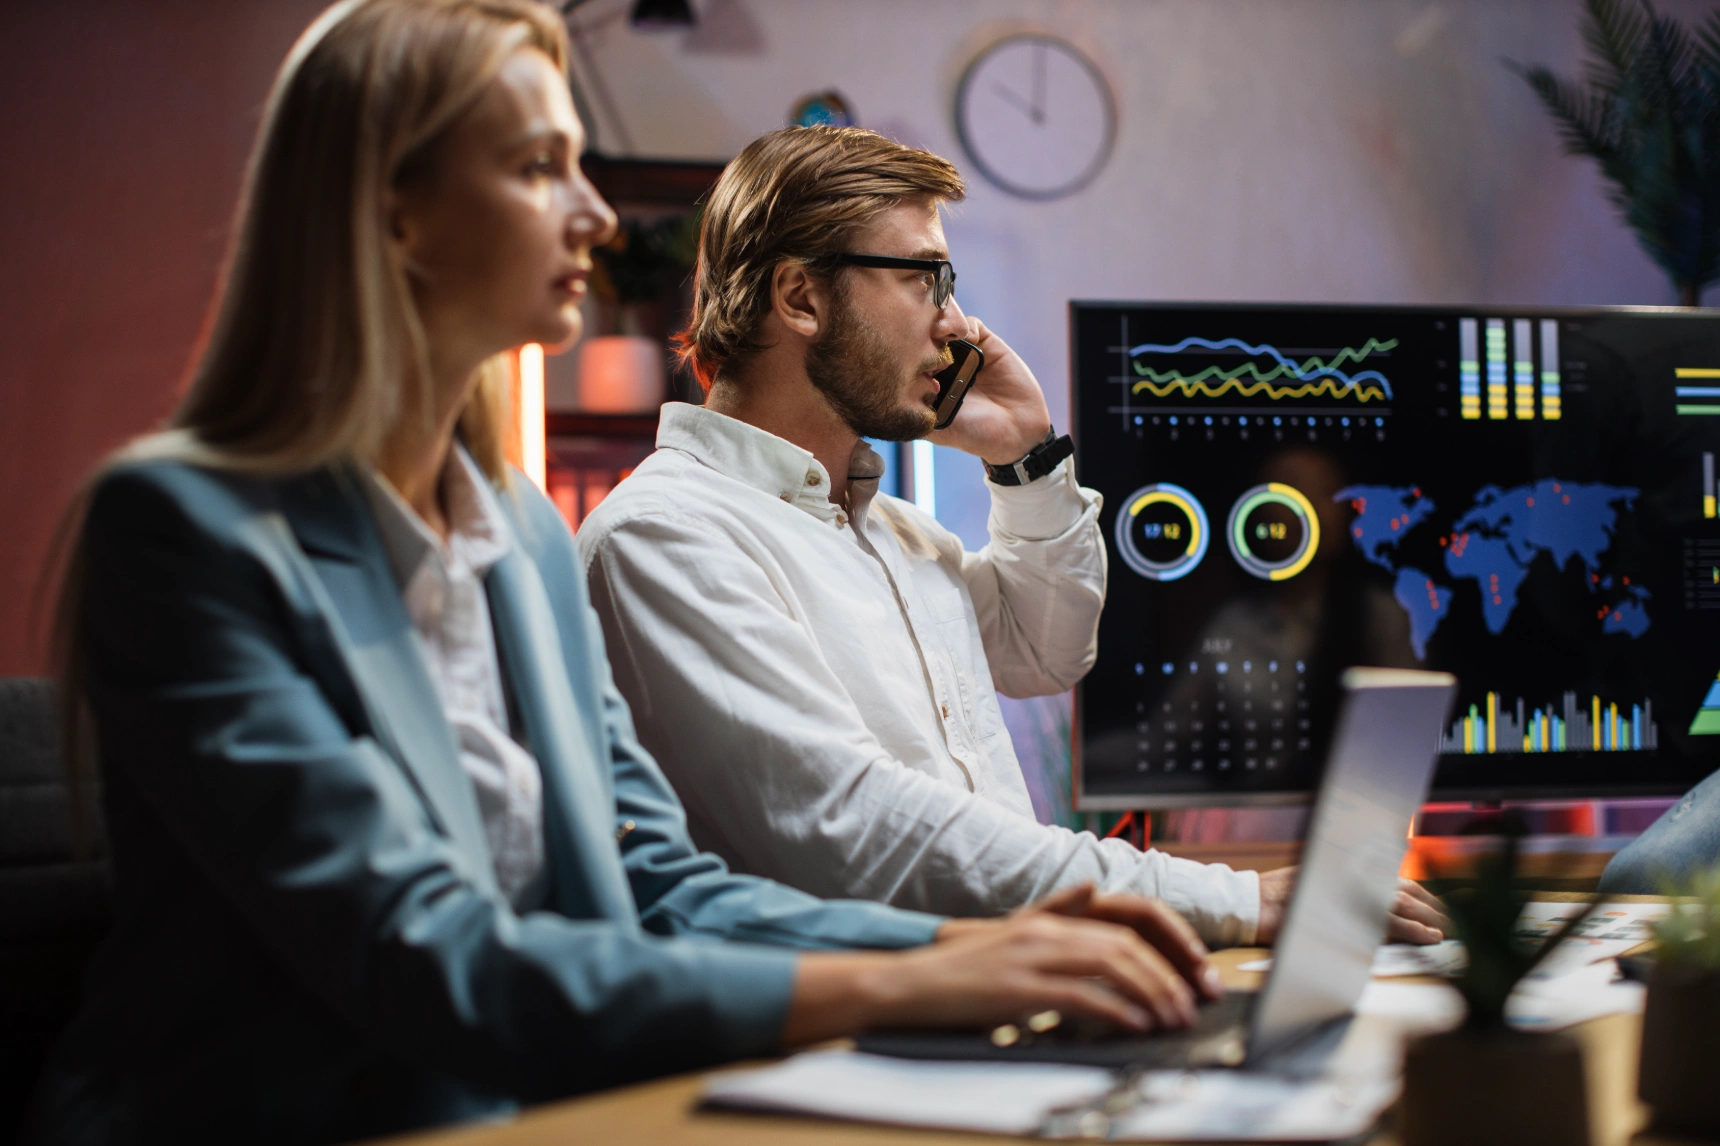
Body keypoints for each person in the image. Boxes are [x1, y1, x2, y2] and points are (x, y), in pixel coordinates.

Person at [26, 4, 1223, 1143]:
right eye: (542, 166)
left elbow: (656, 884)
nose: (596, 215)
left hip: (539, 1112)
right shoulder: (182, 527)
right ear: (395, 214)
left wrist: (957, 961)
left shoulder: (518, 532)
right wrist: (915, 978)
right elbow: (417, 954)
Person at [576, 126, 1449, 948]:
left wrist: (1026, 459)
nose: (957, 326)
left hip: (992, 1011)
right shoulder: (664, 538)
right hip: (837, 1058)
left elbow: (1047, 650)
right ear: (801, 296)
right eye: (926, 280)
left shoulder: (892, 532)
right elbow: (855, 833)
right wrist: (1227, 899)